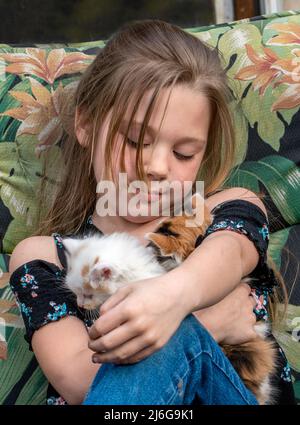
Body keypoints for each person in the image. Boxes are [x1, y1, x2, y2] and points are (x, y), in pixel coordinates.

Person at [8, 19, 295, 405]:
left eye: (183, 153)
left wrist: (173, 301)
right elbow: (78, 382)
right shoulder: (45, 257)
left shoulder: (221, 212)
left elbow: (230, 251)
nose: (157, 166)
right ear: (87, 124)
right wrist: (205, 322)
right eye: (136, 140)